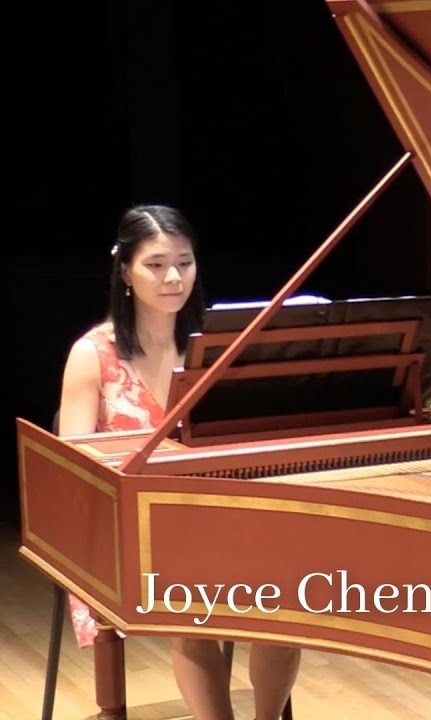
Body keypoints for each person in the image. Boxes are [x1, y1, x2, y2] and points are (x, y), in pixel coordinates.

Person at [57, 204, 301, 720]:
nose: (173, 277)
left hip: (218, 510)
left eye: (184, 263)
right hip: (133, 525)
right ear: (126, 272)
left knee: (287, 600)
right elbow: (74, 469)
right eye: (156, 264)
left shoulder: (220, 347)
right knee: (193, 605)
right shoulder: (92, 354)